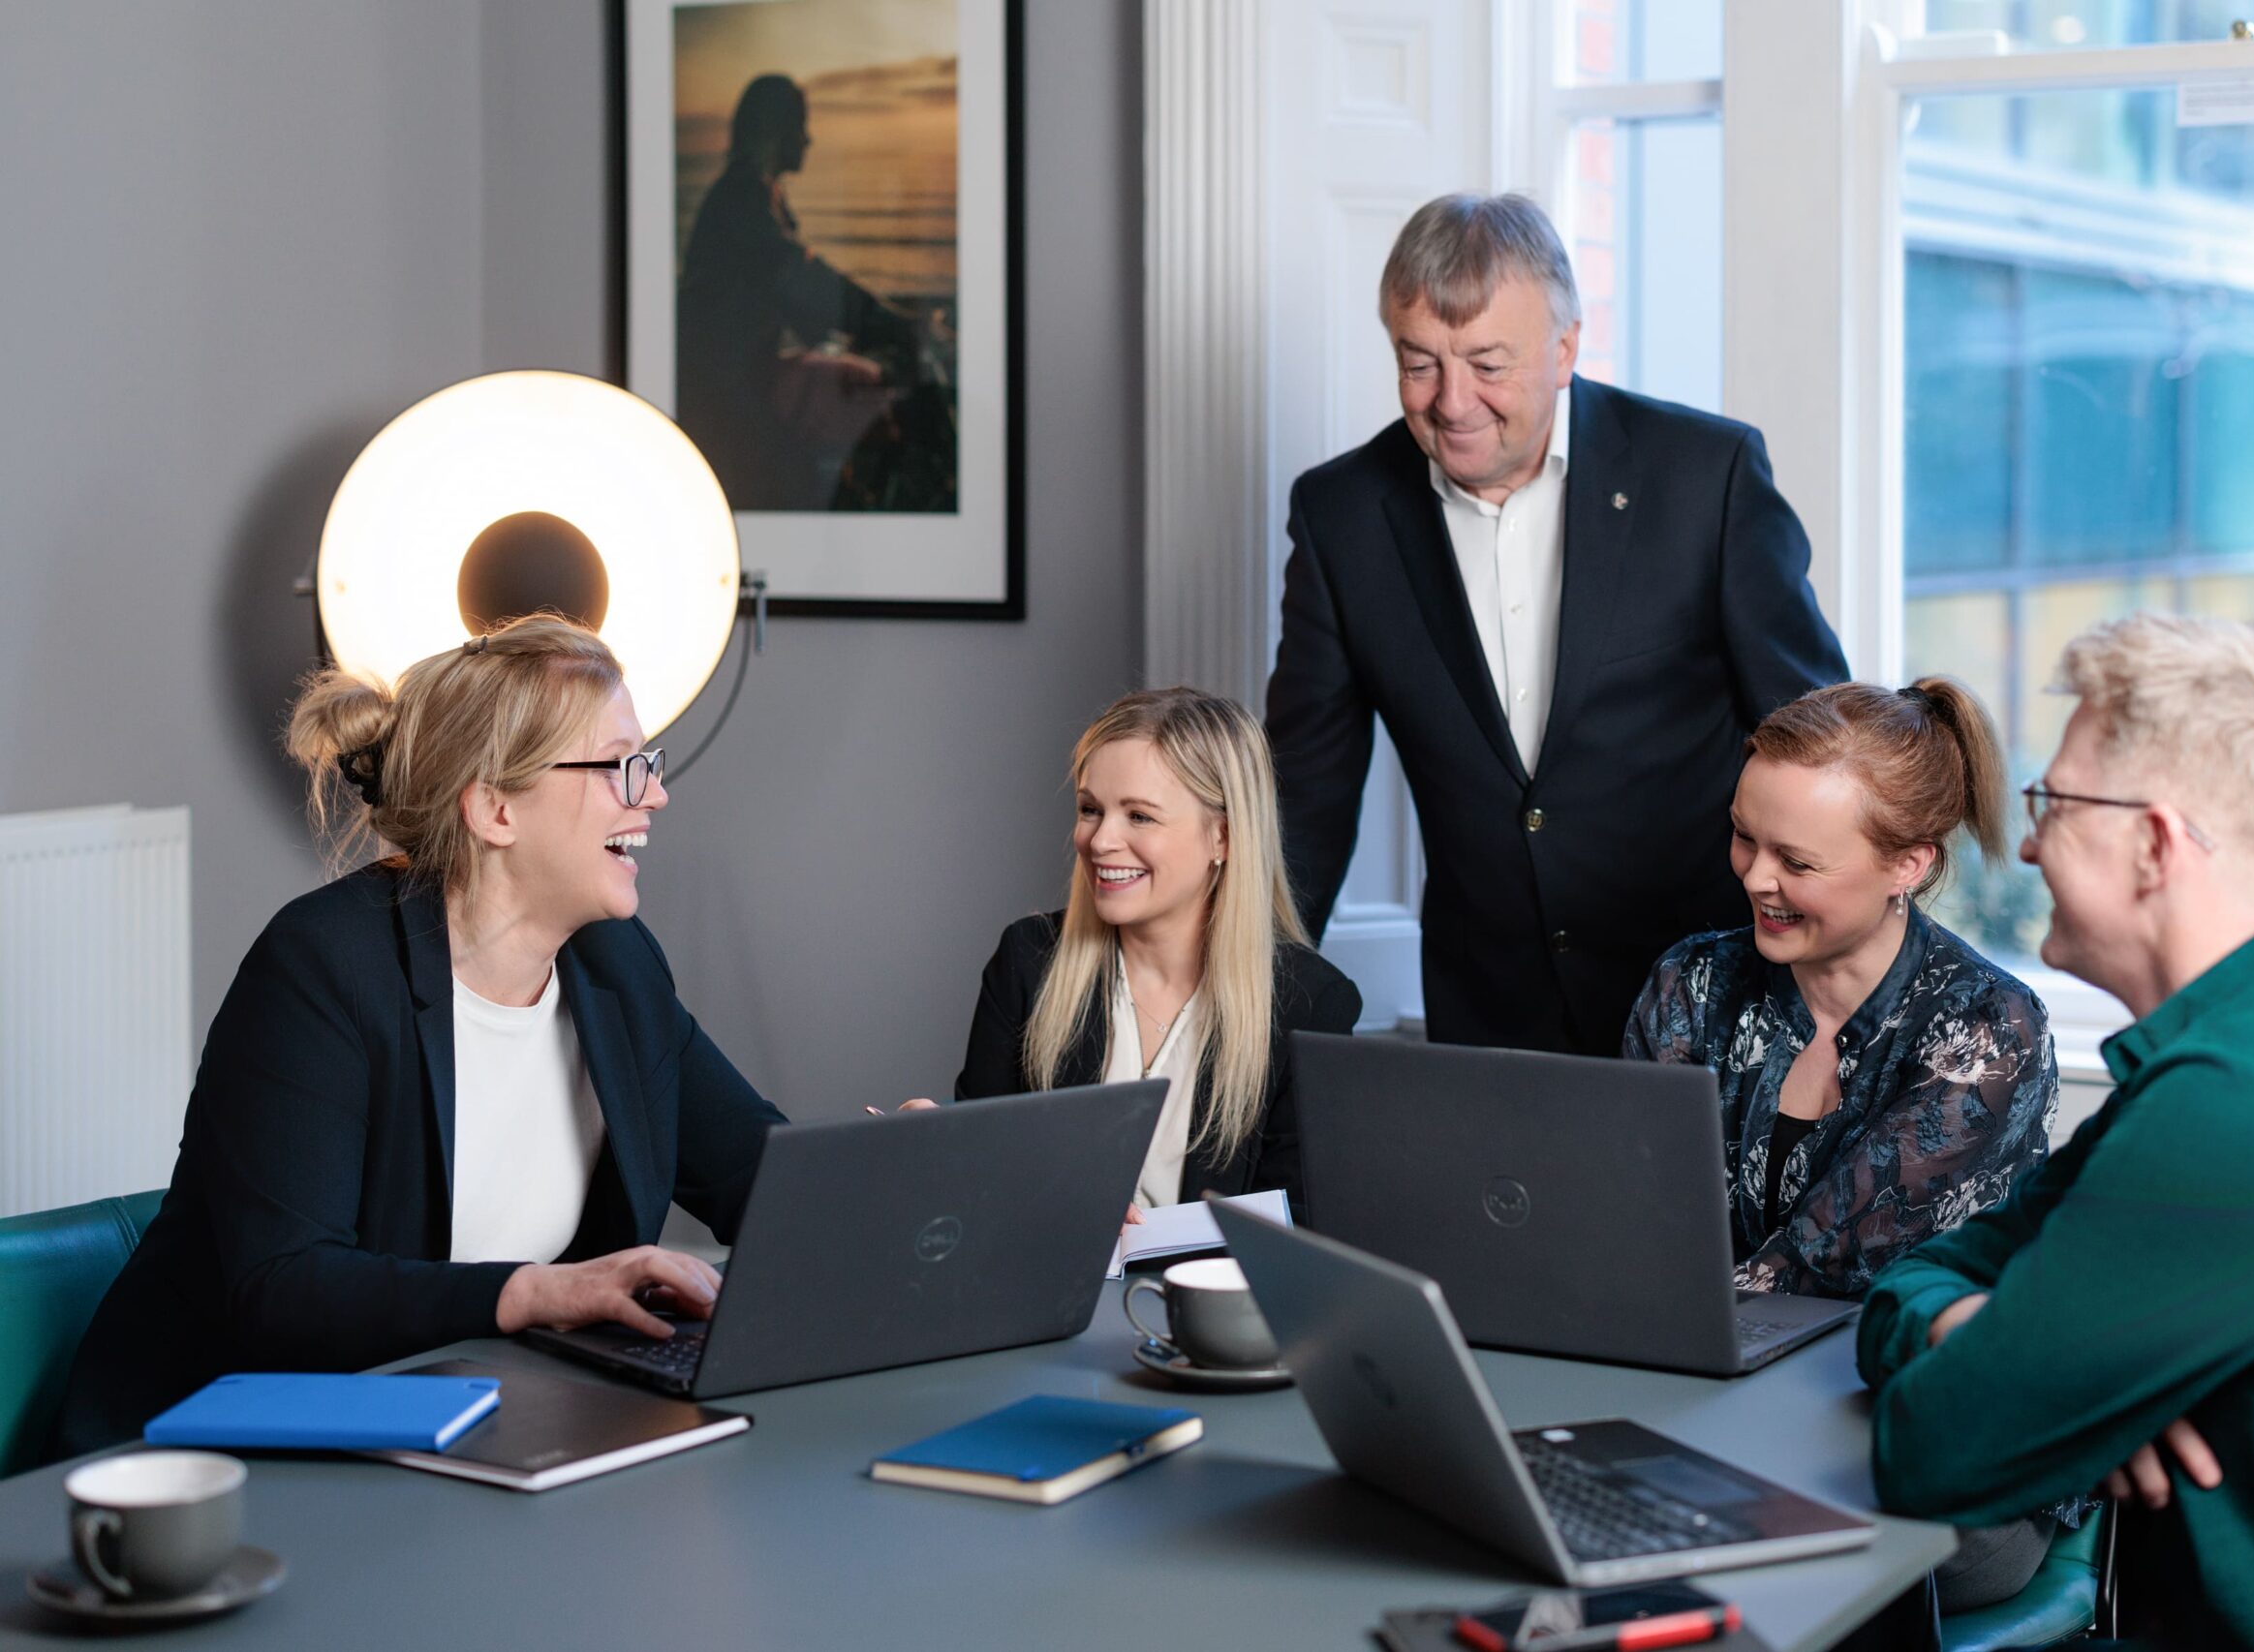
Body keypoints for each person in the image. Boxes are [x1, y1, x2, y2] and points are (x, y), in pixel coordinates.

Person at [1860, 615, 2254, 1649]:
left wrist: (2036, 1380)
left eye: (2052, 804)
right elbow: (1920, 1279)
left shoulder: (2252, 1100)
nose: (2026, 844)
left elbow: (1928, 1453)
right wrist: (1968, 1327)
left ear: (2153, 844)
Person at [53, 618, 785, 1456]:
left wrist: (889, 1169)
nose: (653, 795)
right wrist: (535, 1292)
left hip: (477, 1422)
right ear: (496, 808)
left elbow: (760, 1178)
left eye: (646, 764)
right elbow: (285, 1288)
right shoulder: (322, 968)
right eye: (621, 766)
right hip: (216, 1457)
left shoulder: (617, 968)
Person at [1266, 192, 1846, 1056]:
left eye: (1487, 364)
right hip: (1492, 1019)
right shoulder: (1340, 515)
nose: (1452, 401)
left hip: (1718, 1004)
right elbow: (1302, 804)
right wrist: (1243, 1014)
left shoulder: (1705, 477)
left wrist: (1849, 987)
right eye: (1418, 363)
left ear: (1566, 347)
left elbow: (1819, 745)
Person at [1622, 677, 2060, 1615]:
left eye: (1796, 860)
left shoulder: (1987, 1026)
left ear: (1908, 863)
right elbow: (1628, 1226)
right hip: (1717, 1419)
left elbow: (1809, 1276)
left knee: (1652, 1535)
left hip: (1930, 1456)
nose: (1754, 877)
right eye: (1743, 837)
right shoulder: (1690, 982)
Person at [950, 688, 1361, 1214]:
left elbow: (1296, 1229)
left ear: (1223, 837)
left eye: (1139, 816)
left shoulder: (1311, 1005)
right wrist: (945, 1157)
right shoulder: (1027, 962)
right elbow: (980, 1197)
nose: (1100, 841)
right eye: (1091, 809)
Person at [675, 73, 923, 510]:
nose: (808, 139)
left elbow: (803, 290)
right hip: (728, 395)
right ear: (775, 131)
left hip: (745, 376)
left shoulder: (754, 195)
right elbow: (808, 284)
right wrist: (901, 326)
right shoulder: (743, 201)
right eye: (800, 125)